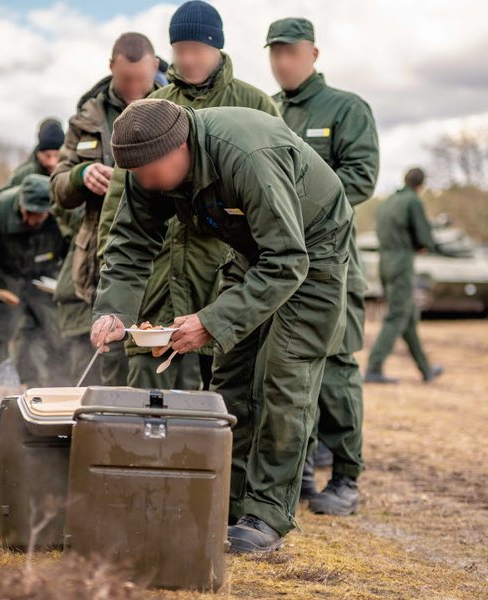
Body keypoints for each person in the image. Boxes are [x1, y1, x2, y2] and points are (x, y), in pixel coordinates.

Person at [91, 100, 352, 553]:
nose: (145, 183)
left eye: (150, 172)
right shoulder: (146, 164)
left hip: (313, 250)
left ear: (180, 147)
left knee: (284, 376)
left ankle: (268, 513)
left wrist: (211, 321)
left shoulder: (247, 156)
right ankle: (227, 501)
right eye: (136, 174)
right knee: (231, 376)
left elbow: (288, 260)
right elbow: (131, 239)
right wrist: (113, 311)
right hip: (254, 251)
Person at [98, 0, 280, 391]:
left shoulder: (253, 103)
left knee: (223, 375)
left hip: (221, 266)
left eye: (197, 49)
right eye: (180, 50)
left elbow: (273, 191)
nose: (188, 59)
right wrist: (111, 289)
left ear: (217, 47)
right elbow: (126, 205)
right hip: (162, 268)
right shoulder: (153, 106)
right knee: (148, 377)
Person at [267, 17, 380, 516]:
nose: (282, 61)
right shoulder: (268, 110)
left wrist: (296, 201)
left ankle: (347, 476)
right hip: (279, 261)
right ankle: (303, 472)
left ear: (313, 54)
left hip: (332, 262)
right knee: (289, 370)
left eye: (291, 52)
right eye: (275, 52)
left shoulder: (345, 108)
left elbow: (361, 178)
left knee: (335, 371)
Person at [50, 32, 160, 386]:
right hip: (97, 260)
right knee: (97, 369)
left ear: (156, 67)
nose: (134, 89)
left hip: (155, 256)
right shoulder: (87, 118)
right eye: (126, 79)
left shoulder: (171, 109)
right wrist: (81, 176)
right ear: (111, 67)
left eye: (141, 80)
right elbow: (58, 188)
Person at [0, 175, 68, 388]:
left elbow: (71, 250)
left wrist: (62, 279)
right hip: (3, 281)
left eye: (40, 215)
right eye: (29, 213)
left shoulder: (61, 215)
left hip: (41, 282)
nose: (33, 220)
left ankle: (40, 392)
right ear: (20, 205)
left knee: (51, 337)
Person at [364, 168, 445, 384]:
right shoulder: (413, 201)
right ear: (421, 186)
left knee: (407, 317)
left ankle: (425, 369)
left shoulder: (387, 202)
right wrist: (428, 245)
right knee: (397, 315)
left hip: (385, 262)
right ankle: (374, 367)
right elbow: (424, 237)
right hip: (402, 263)